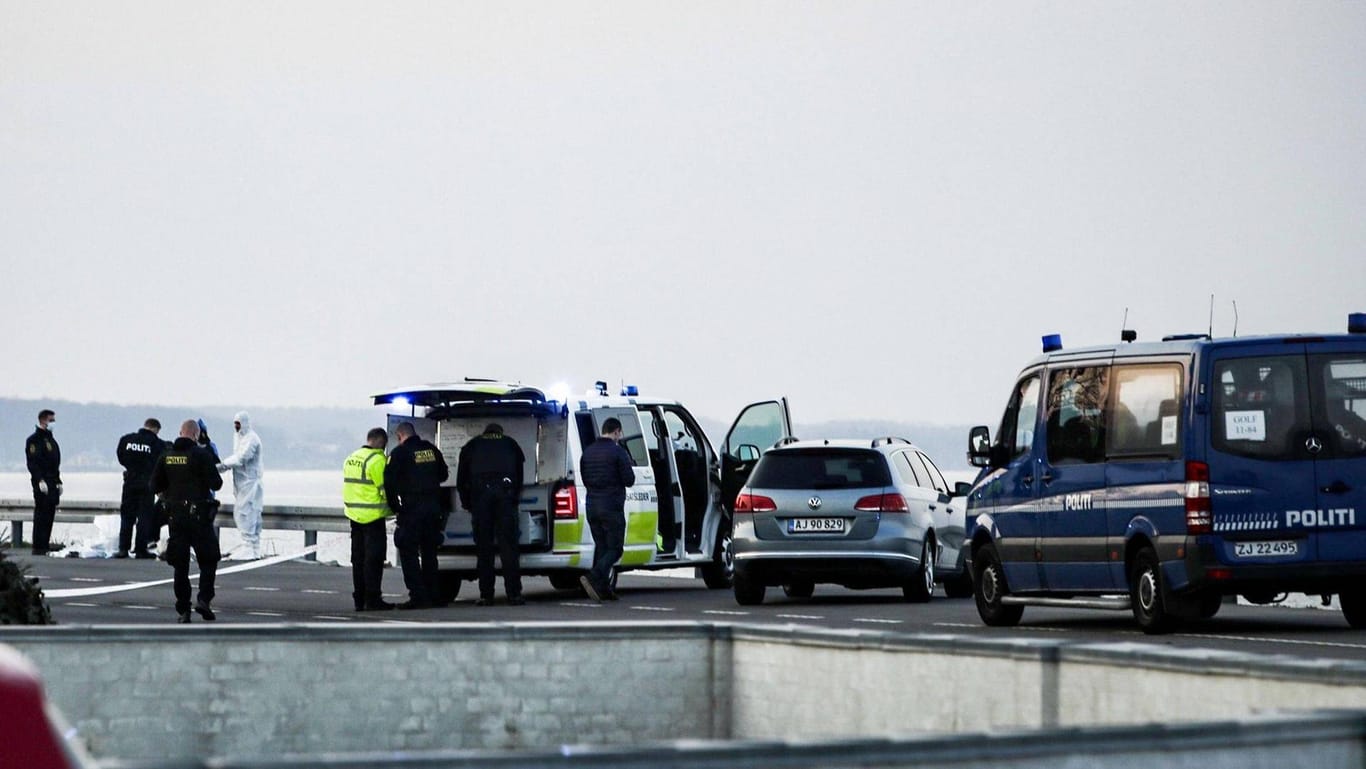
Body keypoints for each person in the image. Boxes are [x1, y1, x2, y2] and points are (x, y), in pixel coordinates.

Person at [150, 419, 224, 623]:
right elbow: (216, 483)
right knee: (209, 561)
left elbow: (154, 485)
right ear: (196, 434)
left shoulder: (166, 456)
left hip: (176, 518)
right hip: (199, 517)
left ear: (180, 432)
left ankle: (184, 609)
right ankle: (204, 600)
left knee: (180, 566)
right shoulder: (201, 454)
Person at [456, 423, 526, 606]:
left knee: (484, 550)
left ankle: (486, 595)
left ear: (484, 432)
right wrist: (514, 498)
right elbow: (520, 475)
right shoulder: (511, 444)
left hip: (481, 501)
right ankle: (514, 594)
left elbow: (461, 479)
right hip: (505, 499)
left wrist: (467, 502)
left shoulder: (472, 445)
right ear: (500, 433)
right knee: (509, 549)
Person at [383, 422, 449, 609]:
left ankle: (418, 596)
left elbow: (389, 483)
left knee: (409, 553)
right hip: (433, 509)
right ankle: (433, 595)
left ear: (399, 436)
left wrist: (396, 507)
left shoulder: (399, 453)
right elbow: (443, 475)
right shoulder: (431, 449)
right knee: (429, 553)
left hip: (412, 510)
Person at [578, 417, 636, 602]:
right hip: (611, 507)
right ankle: (593, 576)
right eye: (620, 433)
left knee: (602, 548)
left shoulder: (587, 452)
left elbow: (585, 479)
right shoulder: (618, 452)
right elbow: (629, 480)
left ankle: (603, 590)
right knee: (615, 549)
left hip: (592, 506)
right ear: (617, 431)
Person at [344, 428, 395, 612]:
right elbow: (385, 490)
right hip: (373, 519)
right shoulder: (377, 460)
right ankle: (373, 599)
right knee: (373, 561)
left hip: (354, 518)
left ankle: (359, 599)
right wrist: (396, 508)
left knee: (357, 560)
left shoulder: (351, 458)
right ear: (381, 442)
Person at [115, 418, 165, 559]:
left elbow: (121, 458)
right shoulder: (157, 444)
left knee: (127, 516)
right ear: (156, 429)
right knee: (144, 517)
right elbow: (160, 464)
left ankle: (123, 548)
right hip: (147, 483)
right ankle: (140, 549)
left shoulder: (127, 440)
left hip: (130, 481)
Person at [217, 411, 264, 559]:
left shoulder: (251, 439)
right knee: (248, 513)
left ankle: (250, 546)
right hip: (242, 483)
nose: (236, 427)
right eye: (235, 424)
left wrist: (222, 466)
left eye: (238, 424)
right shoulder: (239, 438)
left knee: (245, 513)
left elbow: (242, 458)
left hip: (250, 484)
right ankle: (252, 547)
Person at [25, 410, 62, 556]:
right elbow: (33, 462)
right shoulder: (34, 440)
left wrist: (58, 480)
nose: (53, 424)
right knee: (41, 513)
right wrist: (40, 479)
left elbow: (55, 462)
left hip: (52, 480)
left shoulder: (51, 440)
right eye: (51, 420)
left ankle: (45, 543)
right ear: (43, 420)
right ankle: (39, 545)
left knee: (50, 513)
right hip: (42, 481)